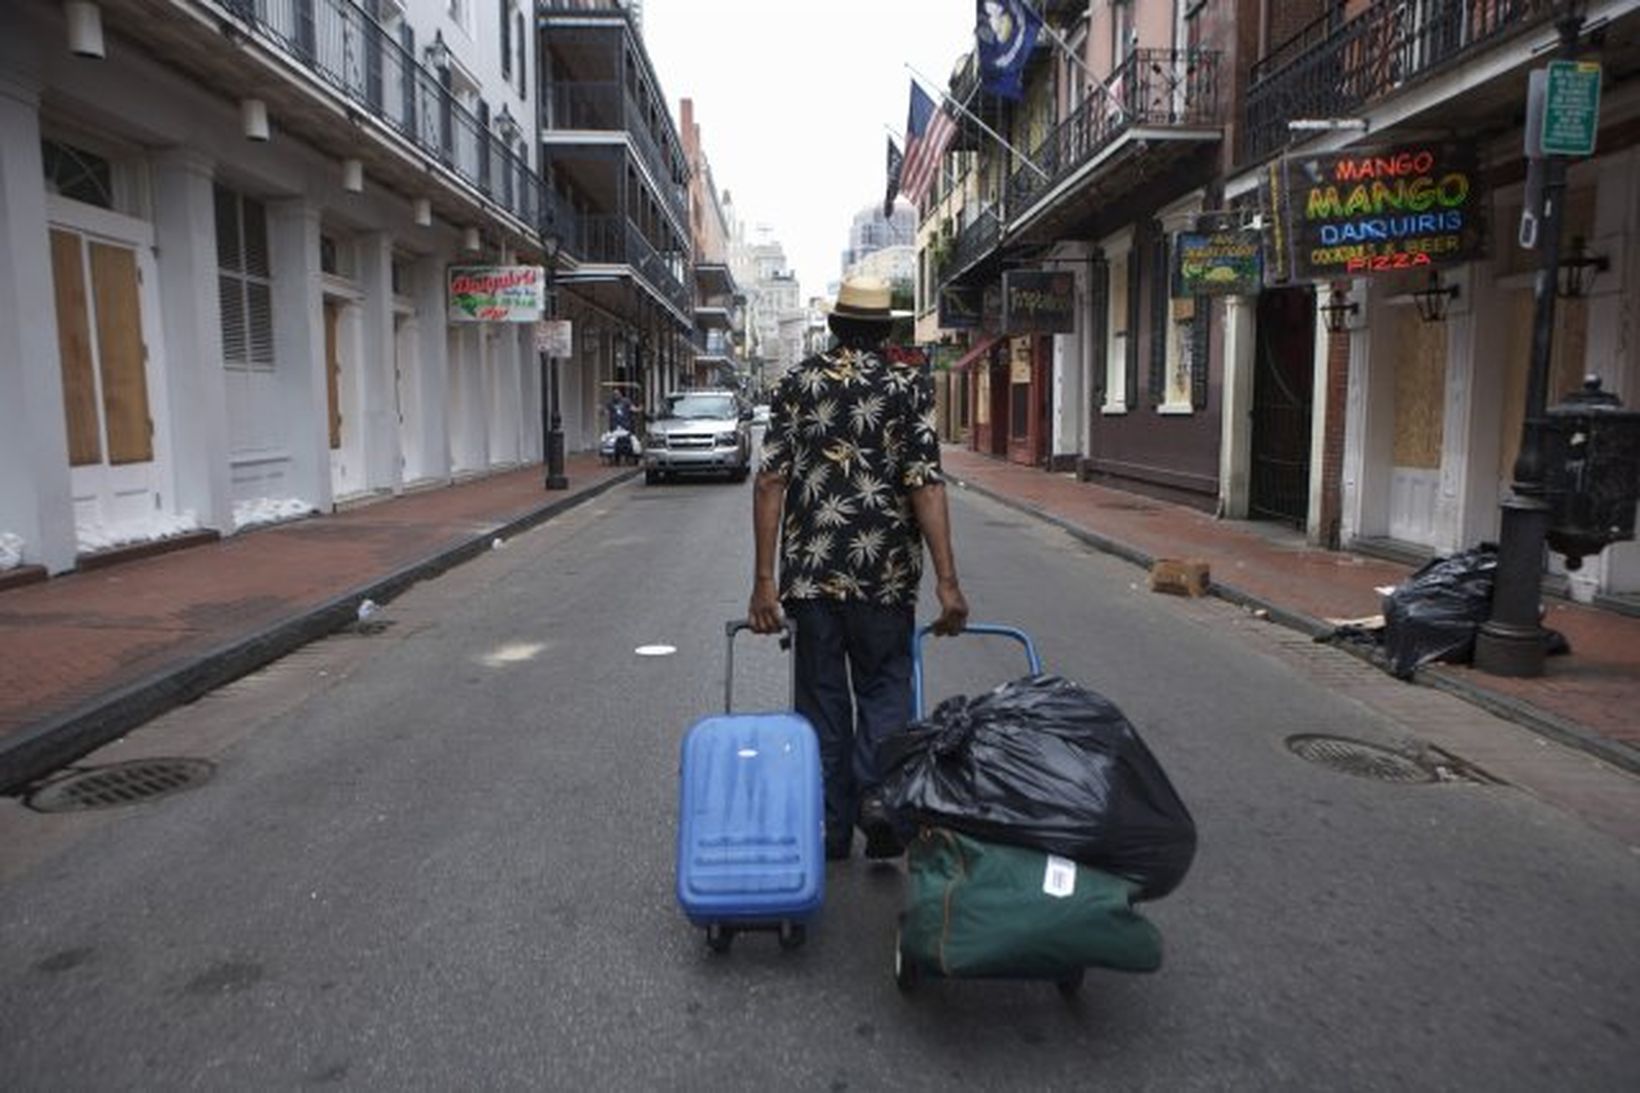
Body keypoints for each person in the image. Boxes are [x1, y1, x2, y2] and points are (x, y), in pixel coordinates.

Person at [747, 275, 968, 862]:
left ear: (838, 326)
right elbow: (925, 483)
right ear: (884, 330)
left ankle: (830, 826)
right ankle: (878, 798)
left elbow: (770, 480)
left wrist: (764, 581)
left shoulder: (797, 383)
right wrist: (947, 581)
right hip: (886, 575)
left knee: (821, 699)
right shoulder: (906, 386)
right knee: (886, 686)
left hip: (812, 578)